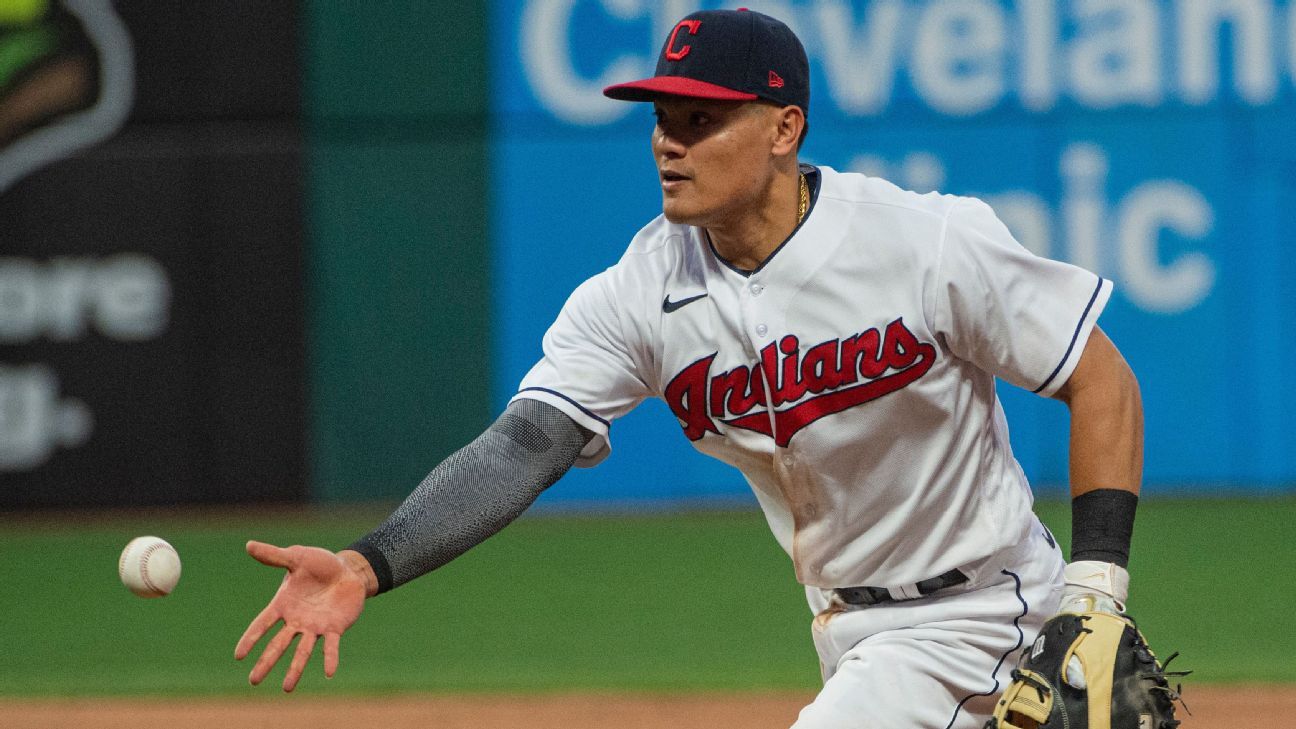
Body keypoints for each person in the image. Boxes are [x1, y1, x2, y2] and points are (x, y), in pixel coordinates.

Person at [235, 9, 1144, 728]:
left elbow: (1099, 376)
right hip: (846, 628)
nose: (670, 142)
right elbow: (526, 444)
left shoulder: (923, 241)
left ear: (784, 127)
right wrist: (369, 561)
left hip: (985, 611)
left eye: (702, 120)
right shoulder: (640, 291)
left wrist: (1097, 592)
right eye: (664, 118)